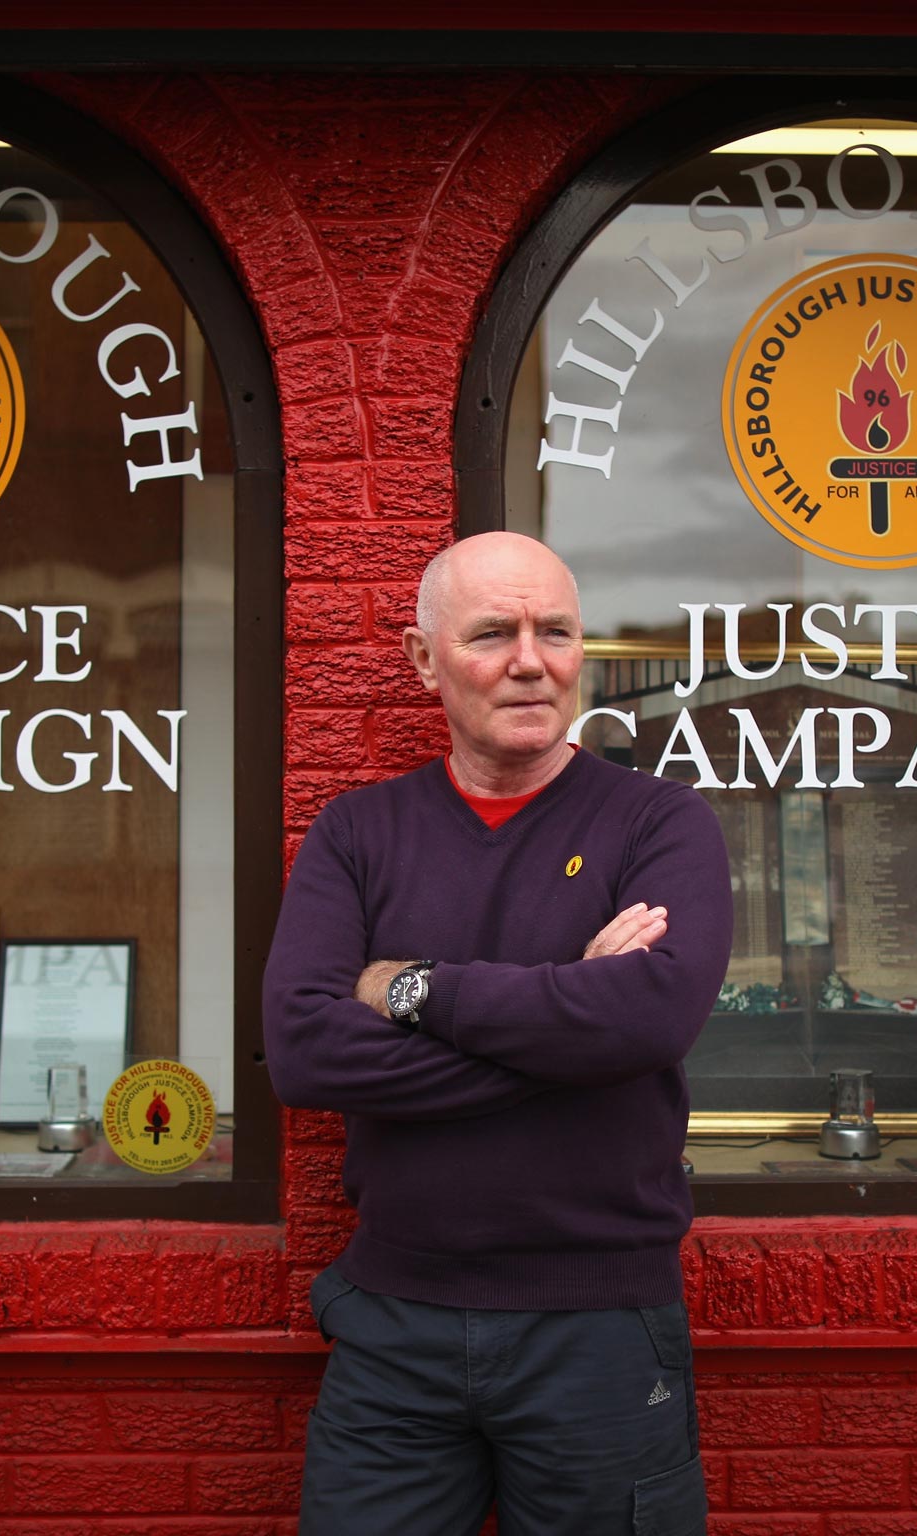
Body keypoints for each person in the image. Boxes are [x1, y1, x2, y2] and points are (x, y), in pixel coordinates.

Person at [262, 531, 733, 1536]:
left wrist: (409, 988)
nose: (531, 659)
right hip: (394, 1325)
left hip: (599, 1329)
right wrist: (571, 1019)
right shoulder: (358, 834)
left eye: (554, 631)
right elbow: (303, 1051)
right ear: (423, 660)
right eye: (492, 633)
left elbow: (649, 1017)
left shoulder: (659, 825)